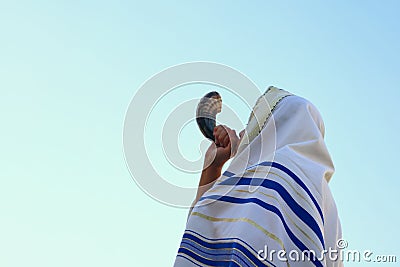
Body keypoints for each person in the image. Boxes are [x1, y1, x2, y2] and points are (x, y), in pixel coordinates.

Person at [174, 86, 343, 267]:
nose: (242, 133)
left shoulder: (274, 173)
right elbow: (203, 228)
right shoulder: (326, 205)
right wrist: (213, 165)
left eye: (253, 124)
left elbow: (205, 238)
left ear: (271, 126)